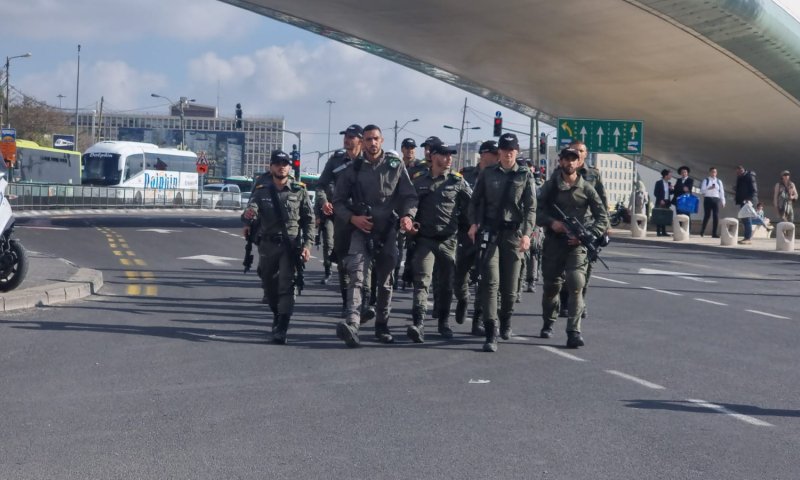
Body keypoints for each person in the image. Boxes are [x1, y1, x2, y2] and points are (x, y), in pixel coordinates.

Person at [333, 125, 417, 347]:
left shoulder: (394, 166)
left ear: (382, 140)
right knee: (356, 275)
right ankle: (352, 324)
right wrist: (353, 219)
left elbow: (410, 196)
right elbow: (338, 201)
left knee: (386, 281)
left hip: (387, 231)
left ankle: (382, 325)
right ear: (363, 142)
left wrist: (408, 216)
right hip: (361, 229)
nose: (372, 143)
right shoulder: (353, 168)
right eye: (368, 139)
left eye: (376, 139)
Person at [467, 133, 536, 352]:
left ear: (517, 152)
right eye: (504, 150)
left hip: (513, 235)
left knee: (510, 289)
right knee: (490, 282)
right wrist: (473, 223)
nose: (508, 154)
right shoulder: (488, 173)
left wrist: (527, 234)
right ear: (500, 152)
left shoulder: (525, 175)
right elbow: (474, 202)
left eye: (511, 150)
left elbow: (531, 208)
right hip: (491, 233)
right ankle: (491, 331)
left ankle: (506, 319)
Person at [537, 147, 609, 349]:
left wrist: (588, 234)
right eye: (566, 159)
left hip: (576, 246)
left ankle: (574, 332)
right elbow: (535, 211)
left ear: (579, 162)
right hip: (554, 243)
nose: (570, 162)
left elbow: (602, 217)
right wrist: (552, 223)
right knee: (551, 287)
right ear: (560, 162)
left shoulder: (587, 188)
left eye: (573, 159)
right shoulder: (550, 186)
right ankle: (548, 321)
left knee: (576, 285)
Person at [241, 150, 315, 344]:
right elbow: (251, 208)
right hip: (268, 245)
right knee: (269, 284)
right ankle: (277, 313)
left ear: (289, 167)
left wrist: (307, 245)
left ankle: (282, 325)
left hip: (290, 246)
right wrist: (249, 215)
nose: (281, 167)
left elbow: (309, 220)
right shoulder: (262, 190)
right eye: (277, 164)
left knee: (286, 284)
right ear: (271, 167)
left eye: (285, 164)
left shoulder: (299, 190)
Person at [405, 143, 471, 343]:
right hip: (425, 239)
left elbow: (473, 205)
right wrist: (409, 218)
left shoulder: (457, 181)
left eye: (450, 155)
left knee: (446, 285)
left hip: (448, 241)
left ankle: (444, 323)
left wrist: (473, 226)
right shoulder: (419, 180)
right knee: (422, 281)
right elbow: (410, 203)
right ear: (433, 157)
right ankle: (418, 324)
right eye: (444, 155)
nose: (449, 158)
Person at [316, 124, 364, 314]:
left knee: (366, 262)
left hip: (364, 216)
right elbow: (321, 185)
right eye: (346, 136)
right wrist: (324, 202)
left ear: (360, 140)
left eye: (351, 137)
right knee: (343, 262)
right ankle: (347, 302)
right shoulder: (335, 161)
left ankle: (366, 301)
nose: (347, 140)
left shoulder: (369, 160)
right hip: (342, 217)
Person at [557, 141, 607, 319]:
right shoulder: (560, 173)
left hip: (588, 228)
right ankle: (565, 302)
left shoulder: (593, 174)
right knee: (565, 270)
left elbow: (602, 200)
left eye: (581, 151)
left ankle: (580, 302)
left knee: (586, 269)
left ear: (585, 155)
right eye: (575, 151)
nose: (577, 154)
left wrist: (605, 228)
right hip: (566, 228)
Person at [454, 140, 499, 336]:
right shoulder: (465, 175)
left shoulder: (499, 176)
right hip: (466, 233)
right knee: (459, 275)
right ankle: (462, 298)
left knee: (485, 277)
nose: (498, 156)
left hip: (488, 233)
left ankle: (478, 319)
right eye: (494, 153)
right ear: (483, 154)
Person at [395, 137, 426, 288]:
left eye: (412, 147)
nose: (410, 150)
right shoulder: (396, 165)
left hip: (415, 211)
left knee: (413, 245)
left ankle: (408, 274)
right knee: (398, 245)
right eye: (407, 147)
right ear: (402, 149)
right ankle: (395, 275)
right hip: (397, 210)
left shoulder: (421, 166)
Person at [734, 165, 758, 244]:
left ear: (742, 170)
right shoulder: (740, 177)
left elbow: (754, 189)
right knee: (744, 219)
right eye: (737, 173)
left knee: (747, 219)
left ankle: (748, 238)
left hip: (748, 201)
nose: (737, 174)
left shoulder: (749, 177)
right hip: (743, 201)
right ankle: (746, 237)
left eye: (738, 172)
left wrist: (749, 199)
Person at [699, 167, 724, 238]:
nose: (713, 173)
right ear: (710, 172)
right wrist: (709, 188)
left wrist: (723, 201)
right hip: (708, 198)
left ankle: (714, 233)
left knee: (716, 216)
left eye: (715, 172)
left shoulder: (719, 181)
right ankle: (702, 231)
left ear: (716, 173)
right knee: (707, 215)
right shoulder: (706, 180)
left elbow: (721, 192)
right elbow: (702, 191)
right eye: (712, 172)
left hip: (716, 199)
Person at [653, 169, 673, 237]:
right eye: (670, 175)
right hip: (660, 202)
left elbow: (670, 193)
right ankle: (658, 232)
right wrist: (660, 200)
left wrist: (671, 189)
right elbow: (655, 193)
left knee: (665, 217)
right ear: (665, 175)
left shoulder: (669, 183)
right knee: (659, 217)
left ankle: (664, 232)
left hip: (667, 202)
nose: (671, 176)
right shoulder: (659, 183)